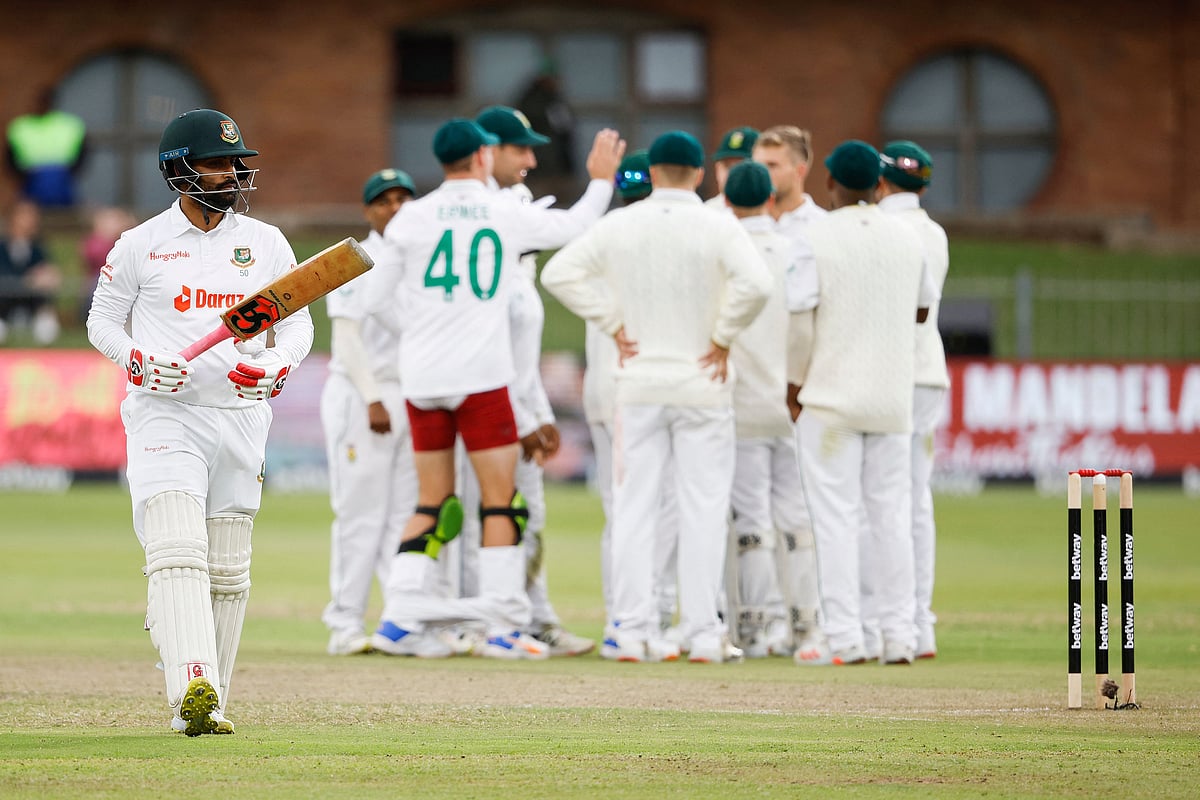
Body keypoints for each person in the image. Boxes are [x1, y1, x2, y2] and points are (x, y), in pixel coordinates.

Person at [87, 108, 313, 734]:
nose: (233, 175)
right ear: (178, 169)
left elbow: (297, 322)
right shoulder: (140, 245)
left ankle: (210, 698)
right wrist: (138, 359)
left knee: (227, 570)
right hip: (167, 415)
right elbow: (100, 320)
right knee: (177, 552)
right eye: (218, 163)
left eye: (238, 163)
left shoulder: (265, 242)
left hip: (242, 416)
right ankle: (195, 692)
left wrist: (278, 364)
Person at [368, 118, 624, 660]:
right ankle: (505, 625)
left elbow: (374, 299)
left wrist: (419, 329)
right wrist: (601, 179)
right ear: (483, 158)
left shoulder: (411, 218)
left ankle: (396, 623)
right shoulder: (504, 211)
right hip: (480, 377)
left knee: (432, 500)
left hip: (423, 377)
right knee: (499, 501)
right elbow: (574, 225)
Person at [542, 130, 773, 664]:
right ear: (696, 173)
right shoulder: (718, 225)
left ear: (656, 172)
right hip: (702, 384)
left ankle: (631, 629)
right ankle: (700, 632)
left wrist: (614, 323)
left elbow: (560, 273)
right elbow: (756, 285)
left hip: (640, 383)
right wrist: (721, 337)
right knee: (702, 507)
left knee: (634, 507)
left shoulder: (622, 224)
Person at [470, 103, 618, 656]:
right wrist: (526, 416)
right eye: (520, 149)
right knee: (494, 517)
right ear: (488, 151)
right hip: (487, 406)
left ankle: (531, 618)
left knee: (521, 517)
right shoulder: (486, 222)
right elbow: (492, 350)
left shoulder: (511, 242)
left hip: (513, 404)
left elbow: (518, 349)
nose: (532, 159)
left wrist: (538, 413)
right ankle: (489, 623)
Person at [790, 140, 936, 667]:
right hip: (890, 400)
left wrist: (793, 383)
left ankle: (846, 637)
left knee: (835, 519)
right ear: (878, 185)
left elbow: (798, 313)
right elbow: (922, 312)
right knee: (891, 516)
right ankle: (898, 636)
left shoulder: (814, 236)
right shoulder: (908, 237)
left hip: (831, 400)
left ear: (830, 184)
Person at [721, 161, 819, 658]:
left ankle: (761, 627)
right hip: (792, 403)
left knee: (752, 520)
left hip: (742, 406)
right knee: (797, 518)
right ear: (771, 201)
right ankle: (806, 625)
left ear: (728, 203)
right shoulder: (793, 251)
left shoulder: (726, 256)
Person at [320, 168, 417, 656]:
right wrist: (373, 396)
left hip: (409, 395)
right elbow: (347, 337)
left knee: (404, 514)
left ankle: (398, 620)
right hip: (363, 396)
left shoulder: (421, 258)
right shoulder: (354, 258)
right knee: (360, 514)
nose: (395, 207)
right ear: (368, 211)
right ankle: (345, 622)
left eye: (403, 198)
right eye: (384, 200)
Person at [587, 149, 682, 636]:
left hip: (605, 392)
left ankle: (620, 614)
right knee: (660, 507)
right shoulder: (670, 233)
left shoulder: (601, 233)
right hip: (645, 389)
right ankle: (650, 612)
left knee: (619, 508)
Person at [753, 125, 827, 647]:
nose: (764, 174)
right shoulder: (738, 222)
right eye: (759, 163)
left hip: (803, 392)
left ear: (800, 169)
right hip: (750, 389)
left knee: (799, 515)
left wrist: (800, 382)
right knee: (750, 516)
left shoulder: (821, 229)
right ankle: (765, 622)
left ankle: (808, 622)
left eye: (774, 164)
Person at [877, 140, 950, 660]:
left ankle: (885, 622)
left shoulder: (881, 229)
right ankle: (919, 623)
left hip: (885, 374)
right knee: (914, 499)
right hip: (927, 375)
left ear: (880, 182)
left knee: (879, 501)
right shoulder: (934, 231)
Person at [6, 89, 87, 207]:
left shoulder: (70, 125)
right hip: (30, 181)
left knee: (63, 216)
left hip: (62, 181)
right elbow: (9, 159)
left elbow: (82, 155)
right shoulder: (20, 126)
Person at [0, 199, 62, 345]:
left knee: (47, 331)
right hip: (4, 304)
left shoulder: (38, 249)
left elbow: (47, 271)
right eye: (24, 216)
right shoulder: (2, 248)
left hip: (33, 303)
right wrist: (27, 279)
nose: (29, 222)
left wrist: (50, 276)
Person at [79, 206, 136, 322]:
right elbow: (99, 258)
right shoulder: (93, 242)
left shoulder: (129, 240)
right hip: (98, 283)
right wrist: (109, 238)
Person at [706, 126, 759, 207]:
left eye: (742, 166)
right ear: (717, 169)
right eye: (727, 166)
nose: (733, 173)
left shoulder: (775, 214)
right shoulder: (706, 211)